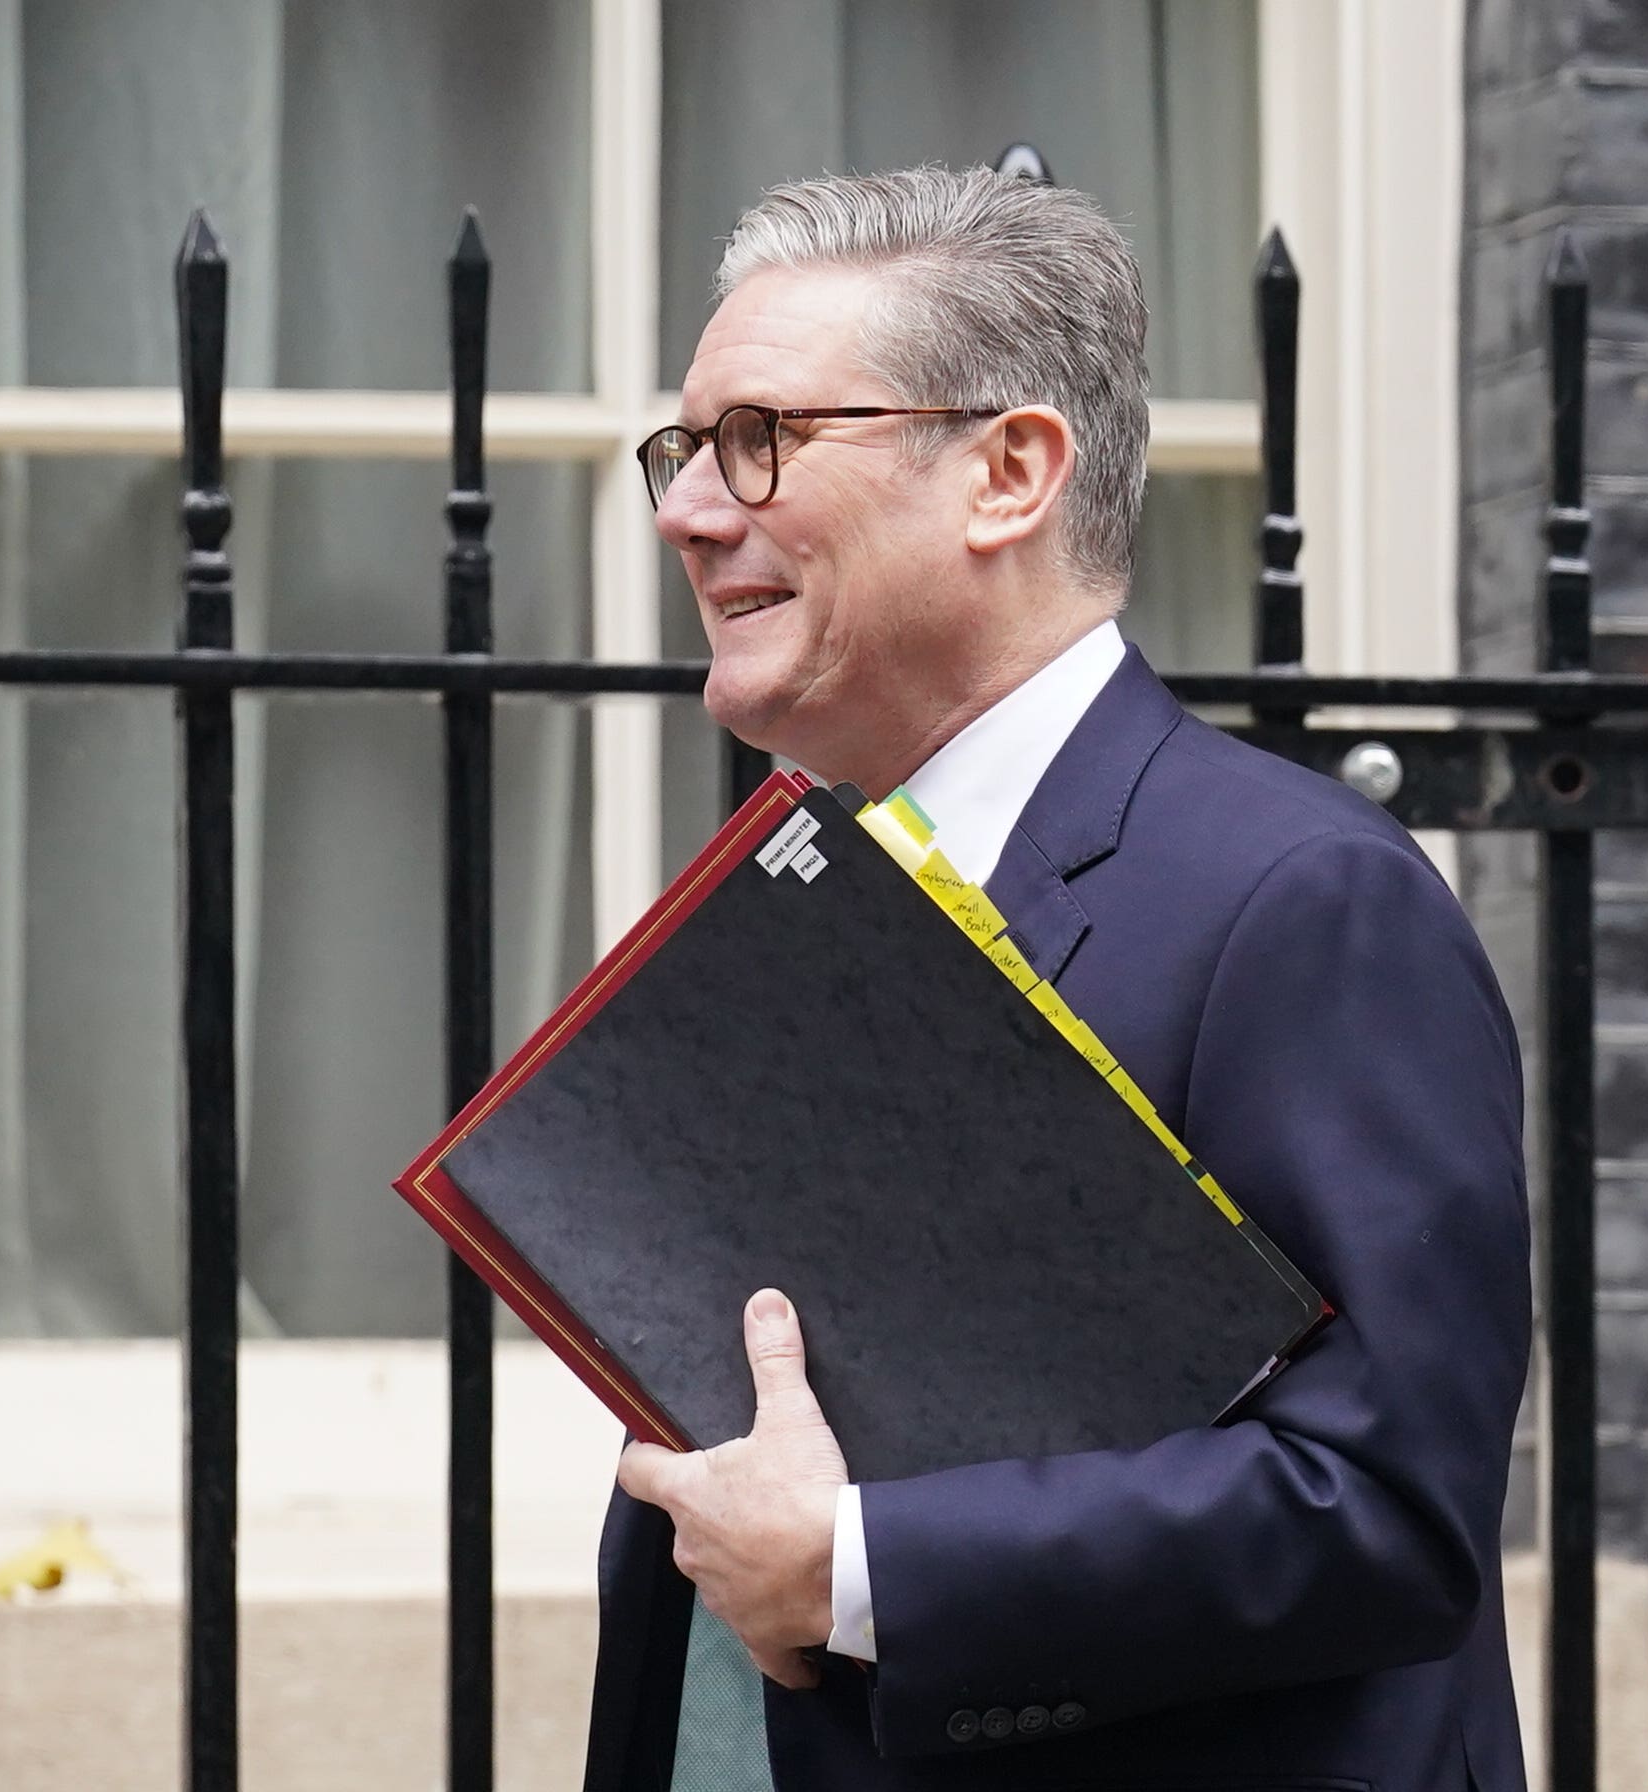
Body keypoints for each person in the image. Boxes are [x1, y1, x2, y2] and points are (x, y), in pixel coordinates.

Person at [586, 165, 1530, 1792]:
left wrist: (862, 1564)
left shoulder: (1307, 902)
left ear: (1009, 472)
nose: (686, 508)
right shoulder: (795, 896)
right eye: (684, 453)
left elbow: (1385, 1510)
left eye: (763, 442)